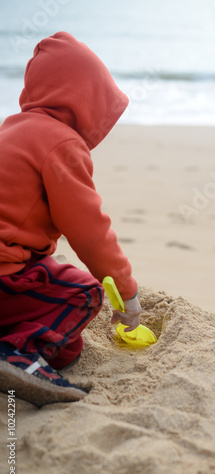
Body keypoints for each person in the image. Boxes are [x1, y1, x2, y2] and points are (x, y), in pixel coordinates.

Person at [0, 32, 141, 407]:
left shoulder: (10, 130)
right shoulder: (60, 143)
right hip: (3, 276)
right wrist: (126, 292)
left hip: (9, 273)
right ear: (84, 101)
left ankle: (19, 349)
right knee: (83, 292)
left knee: (68, 350)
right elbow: (90, 231)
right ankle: (15, 353)